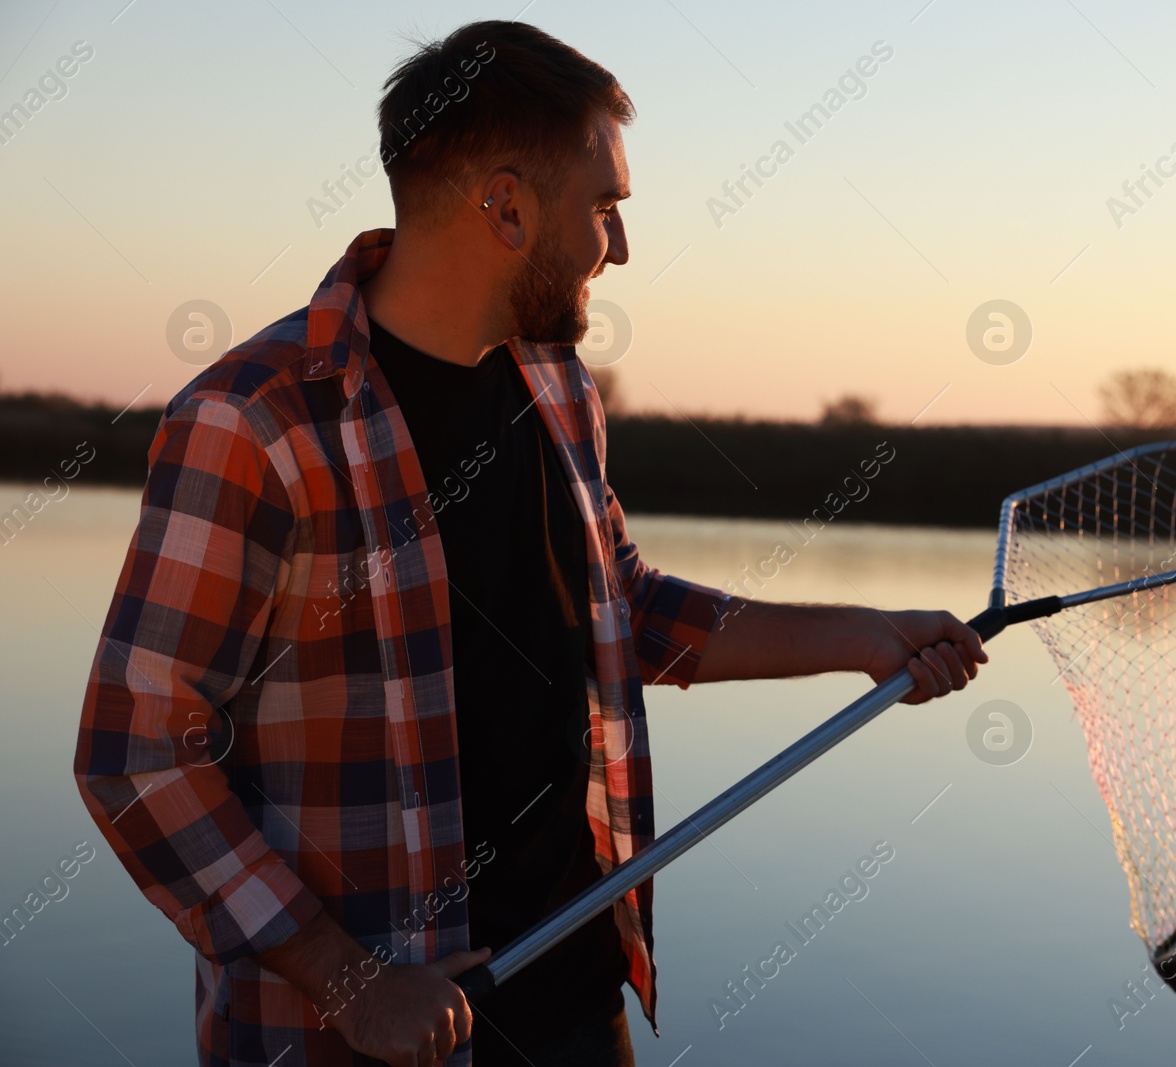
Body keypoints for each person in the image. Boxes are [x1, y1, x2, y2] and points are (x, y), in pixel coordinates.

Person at [73, 20, 984, 1067]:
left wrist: (866, 633)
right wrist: (347, 976)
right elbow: (135, 748)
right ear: (505, 205)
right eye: (605, 209)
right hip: (349, 1037)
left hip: (576, 999)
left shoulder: (556, 388)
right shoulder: (254, 420)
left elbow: (623, 608)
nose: (623, 247)